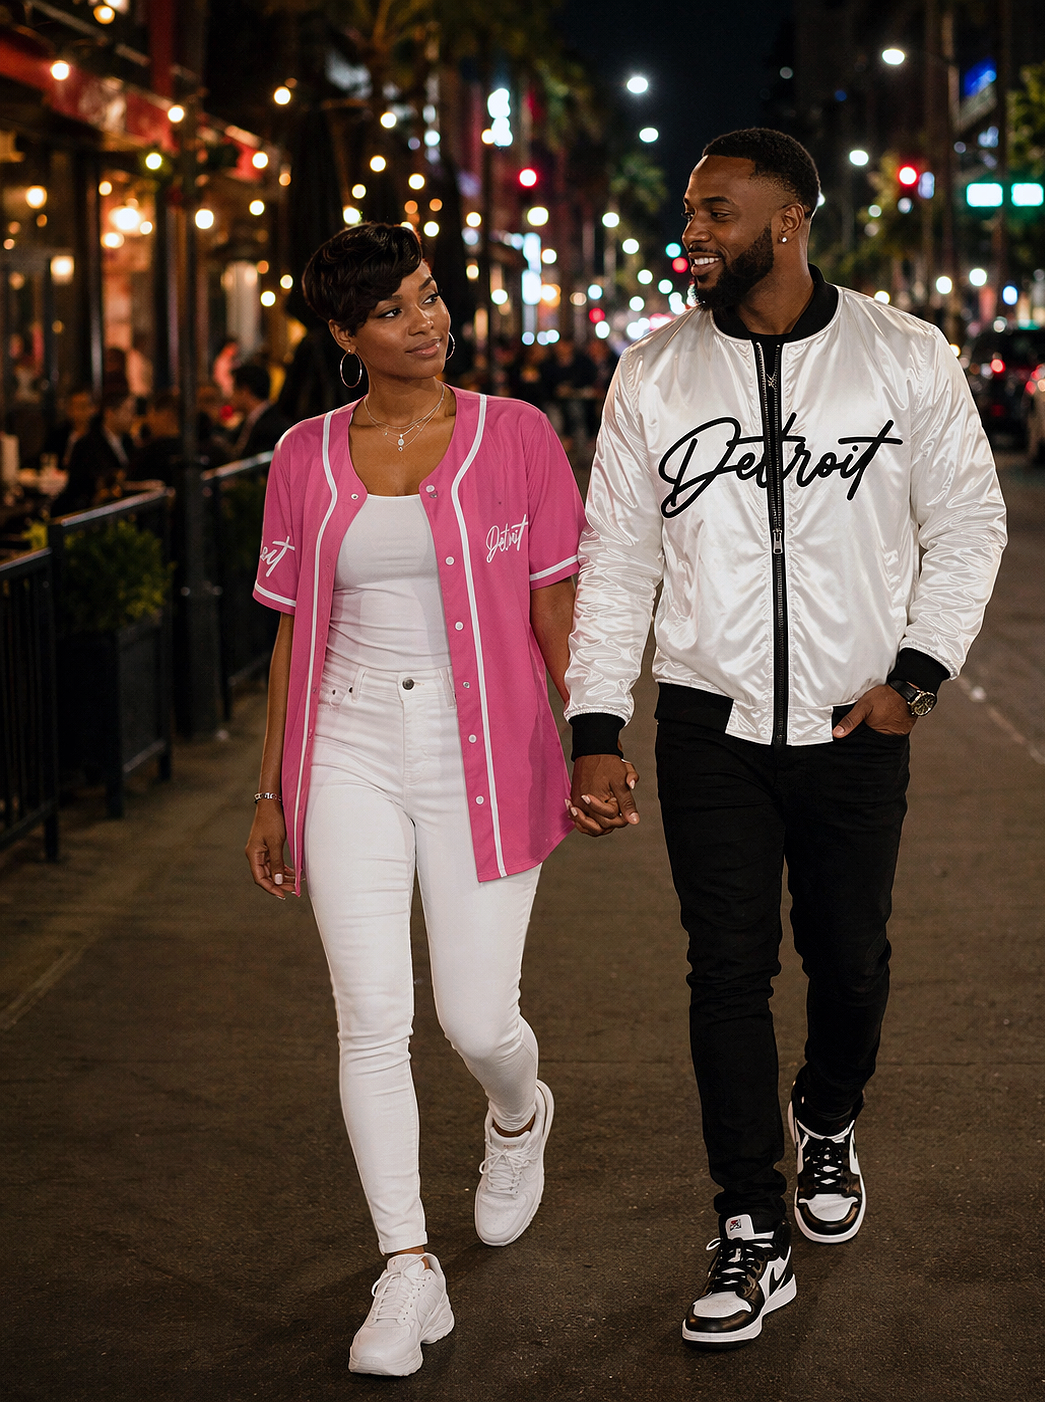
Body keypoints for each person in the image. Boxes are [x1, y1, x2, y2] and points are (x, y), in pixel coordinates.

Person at [564, 129, 1007, 1350]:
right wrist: (594, 721)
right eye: (690, 211)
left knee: (850, 957)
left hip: (852, 721)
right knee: (726, 969)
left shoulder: (901, 356)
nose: (693, 230)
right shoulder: (652, 374)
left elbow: (967, 524)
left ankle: (827, 1112)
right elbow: (616, 561)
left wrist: (910, 678)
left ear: (789, 219)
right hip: (707, 725)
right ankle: (749, 1221)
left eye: (717, 210)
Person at [245, 222, 589, 1378]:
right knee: (369, 1016)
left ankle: (516, 1113)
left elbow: (555, 610)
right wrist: (271, 789)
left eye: (430, 296)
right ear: (345, 337)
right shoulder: (301, 454)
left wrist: (596, 740)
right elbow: (294, 631)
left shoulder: (518, 434)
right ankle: (406, 1268)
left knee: (476, 1020)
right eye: (395, 309)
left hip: (481, 748)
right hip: (344, 746)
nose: (428, 320)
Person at [53, 388, 135, 515]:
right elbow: (80, 487)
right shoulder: (87, 444)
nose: (133, 417)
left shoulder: (128, 442)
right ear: (110, 413)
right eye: (128, 410)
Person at [229, 362, 290, 458]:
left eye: (234, 390)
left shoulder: (272, 427)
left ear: (245, 391)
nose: (231, 396)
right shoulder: (251, 421)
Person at [131, 389, 182, 482]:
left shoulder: (148, 455)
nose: (148, 421)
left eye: (151, 414)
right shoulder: (193, 449)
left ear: (166, 415)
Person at [42, 387, 97, 469]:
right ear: (69, 410)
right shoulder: (58, 434)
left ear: (93, 409)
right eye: (76, 407)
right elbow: (45, 456)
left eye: (84, 407)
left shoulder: (99, 436)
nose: (80, 412)